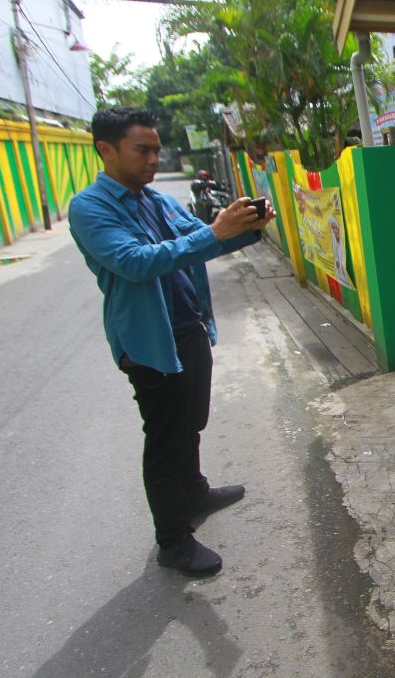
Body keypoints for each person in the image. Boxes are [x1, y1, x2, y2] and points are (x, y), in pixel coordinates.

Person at [69, 108, 275, 578]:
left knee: (191, 423)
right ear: (106, 150)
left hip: (188, 327)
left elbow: (201, 242)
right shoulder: (90, 208)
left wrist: (246, 227)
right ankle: (173, 540)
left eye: (157, 150)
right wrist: (214, 231)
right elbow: (135, 262)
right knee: (165, 438)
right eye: (142, 149)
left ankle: (196, 490)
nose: (153, 159)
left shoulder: (156, 200)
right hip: (148, 341)